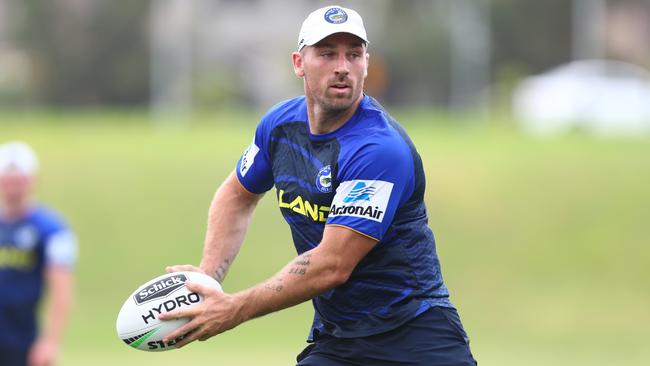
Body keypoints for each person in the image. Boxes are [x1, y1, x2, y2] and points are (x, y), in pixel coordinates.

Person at [161, 5, 477, 365]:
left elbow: (332, 264)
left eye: (353, 54)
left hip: (415, 337)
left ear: (367, 64)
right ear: (299, 63)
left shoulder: (378, 149)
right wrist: (209, 274)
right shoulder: (280, 127)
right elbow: (237, 195)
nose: (342, 66)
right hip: (339, 340)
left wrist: (234, 308)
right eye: (327, 54)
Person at [0, 142, 77, 366]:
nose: (13, 186)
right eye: (8, 179)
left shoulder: (51, 228)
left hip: (22, 338)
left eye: (19, 180)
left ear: (32, 180)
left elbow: (61, 288)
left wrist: (50, 341)